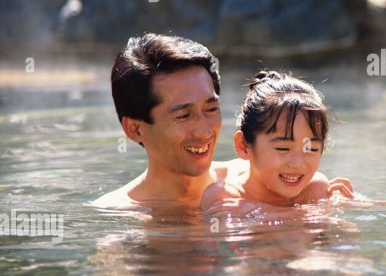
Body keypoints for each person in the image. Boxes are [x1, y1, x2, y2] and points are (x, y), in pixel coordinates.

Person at [92, 33, 245, 208]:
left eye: (210, 110)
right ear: (135, 129)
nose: (205, 131)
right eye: (183, 116)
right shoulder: (120, 217)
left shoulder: (257, 181)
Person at [201, 70, 353, 212]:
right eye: (283, 148)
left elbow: (344, 235)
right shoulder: (225, 197)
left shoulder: (315, 189)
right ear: (244, 145)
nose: (297, 163)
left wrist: (352, 202)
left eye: (310, 148)